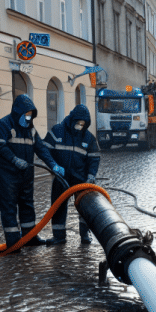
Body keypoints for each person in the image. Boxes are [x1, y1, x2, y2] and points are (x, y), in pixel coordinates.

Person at [0, 94, 64, 249]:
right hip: (6, 174)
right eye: (26, 115)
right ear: (18, 112)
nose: (28, 118)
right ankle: (14, 242)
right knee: (9, 206)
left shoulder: (30, 130)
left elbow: (41, 148)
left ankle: (29, 237)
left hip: (25, 174)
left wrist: (53, 165)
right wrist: (14, 159)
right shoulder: (3, 125)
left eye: (30, 115)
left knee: (27, 204)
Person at [43, 104, 100, 246]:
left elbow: (94, 158)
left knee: (85, 207)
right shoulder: (57, 132)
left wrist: (91, 176)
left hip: (81, 179)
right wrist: (53, 166)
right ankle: (59, 237)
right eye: (78, 122)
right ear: (72, 119)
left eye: (83, 123)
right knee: (57, 206)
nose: (80, 125)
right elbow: (45, 150)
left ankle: (85, 234)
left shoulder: (88, 138)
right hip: (61, 178)